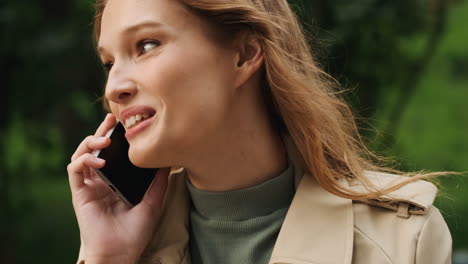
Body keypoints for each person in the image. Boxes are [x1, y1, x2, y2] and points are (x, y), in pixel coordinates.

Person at [67, 0, 453, 263]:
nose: (113, 87)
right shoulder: (127, 247)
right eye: (108, 62)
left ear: (245, 55)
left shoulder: (400, 242)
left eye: (146, 45)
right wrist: (108, 257)